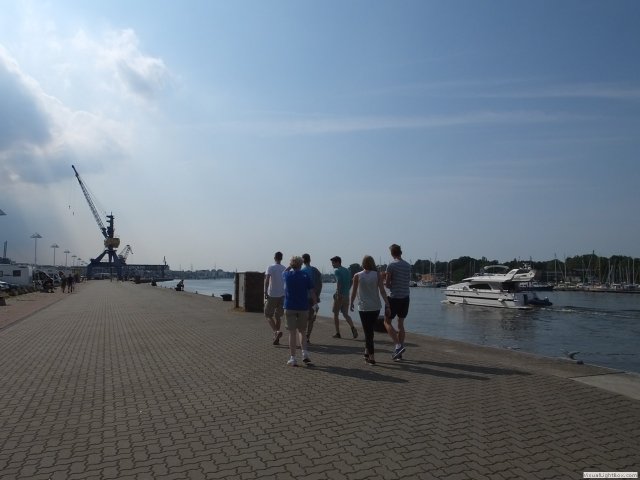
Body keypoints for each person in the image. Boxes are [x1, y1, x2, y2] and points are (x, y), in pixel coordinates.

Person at [350, 255, 390, 365]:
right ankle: (366, 352)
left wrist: (351, 303)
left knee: (368, 332)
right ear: (372, 263)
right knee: (370, 331)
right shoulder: (377, 275)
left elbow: (354, 291)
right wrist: (387, 303)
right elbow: (382, 291)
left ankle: (371, 357)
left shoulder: (357, 275)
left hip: (363, 307)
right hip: (375, 306)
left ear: (363, 263)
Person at [283, 256, 318, 366]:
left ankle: (293, 358)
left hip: (289, 306)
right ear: (301, 264)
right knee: (302, 331)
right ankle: (305, 353)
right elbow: (312, 291)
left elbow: (285, 271)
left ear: (291, 264)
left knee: (292, 333)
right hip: (303, 307)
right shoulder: (305, 275)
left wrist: (291, 265)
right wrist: (315, 303)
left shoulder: (287, 275)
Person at [384, 244, 411, 360]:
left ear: (392, 254)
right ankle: (399, 354)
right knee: (401, 324)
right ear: (401, 252)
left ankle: (398, 345)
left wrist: (384, 281)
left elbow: (388, 284)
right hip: (405, 297)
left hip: (394, 297)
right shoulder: (408, 265)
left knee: (387, 322)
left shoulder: (391, 265)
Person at [330, 256, 358, 339]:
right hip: (346, 295)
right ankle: (353, 328)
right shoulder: (347, 270)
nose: (332, 265)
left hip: (340, 296)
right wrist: (347, 291)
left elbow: (339, 282)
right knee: (345, 314)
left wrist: (338, 293)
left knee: (335, 314)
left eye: (333, 263)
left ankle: (338, 333)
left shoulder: (337, 271)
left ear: (337, 262)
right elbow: (351, 282)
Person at [264, 251, 286, 345]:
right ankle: (276, 338)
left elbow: (267, 280)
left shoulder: (270, 267)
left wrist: (265, 291)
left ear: (274, 258)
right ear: (281, 258)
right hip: (282, 295)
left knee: (268, 315)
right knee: (278, 316)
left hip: (272, 294)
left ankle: (276, 332)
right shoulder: (284, 268)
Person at [302, 253, 323, 344]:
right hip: (314, 298)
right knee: (311, 319)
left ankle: (303, 336)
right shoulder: (316, 271)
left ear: (302, 261)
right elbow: (320, 284)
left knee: (303, 318)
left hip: (304, 298)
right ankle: (307, 336)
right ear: (310, 260)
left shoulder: (302, 271)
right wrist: (317, 296)